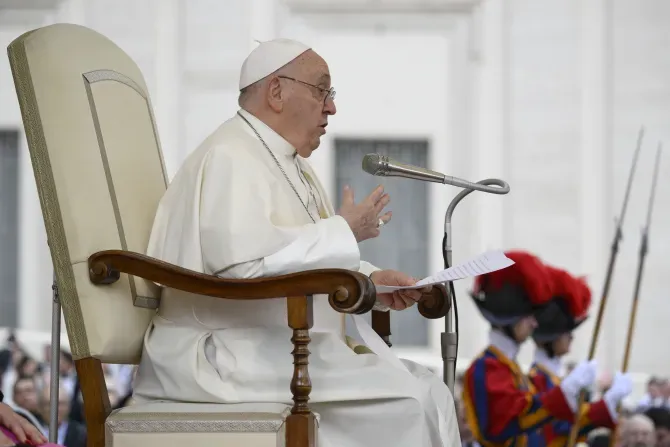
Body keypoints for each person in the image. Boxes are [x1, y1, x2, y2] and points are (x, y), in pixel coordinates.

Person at [132, 37, 460, 446]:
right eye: (322, 90)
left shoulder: (294, 167)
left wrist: (374, 283)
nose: (332, 107)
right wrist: (345, 231)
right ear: (276, 92)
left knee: (431, 390)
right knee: (409, 400)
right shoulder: (230, 155)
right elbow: (241, 269)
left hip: (273, 346)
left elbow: (290, 256)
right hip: (223, 354)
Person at [461, 250, 602, 447]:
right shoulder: (486, 367)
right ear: (510, 319)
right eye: (529, 316)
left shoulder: (507, 366)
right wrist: (566, 393)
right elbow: (508, 421)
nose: (535, 324)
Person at [528, 264, 633, 446]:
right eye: (566, 332)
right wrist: (607, 403)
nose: (571, 337)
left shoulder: (551, 377)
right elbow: (559, 425)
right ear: (549, 339)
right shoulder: (537, 379)